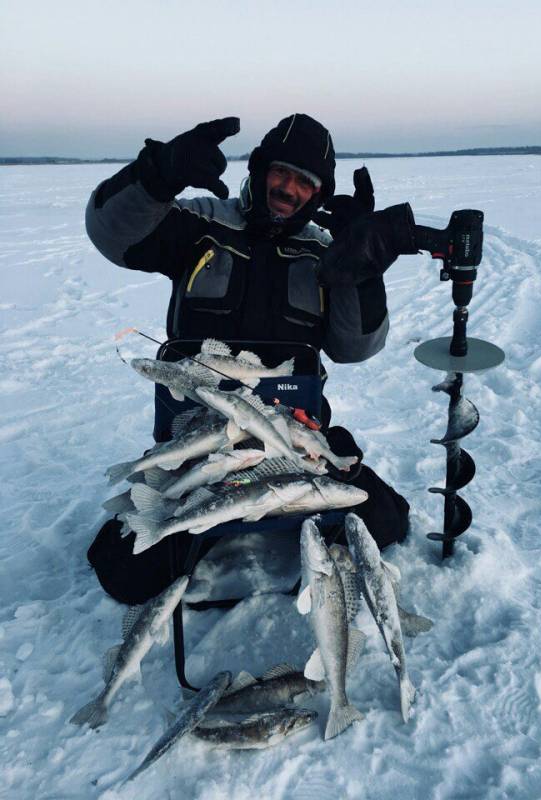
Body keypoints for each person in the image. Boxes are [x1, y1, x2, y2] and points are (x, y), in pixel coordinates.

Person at [85, 113, 436, 605]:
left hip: (298, 437)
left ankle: (300, 524)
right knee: (125, 572)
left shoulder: (326, 253)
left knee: (386, 521)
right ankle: (200, 517)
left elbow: (356, 347)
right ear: (259, 168)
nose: (289, 188)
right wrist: (155, 175)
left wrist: (363, 266)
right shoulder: (201, 224)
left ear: (318, 193)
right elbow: (110, 234)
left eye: (305, 182)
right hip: (198, 439)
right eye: (281, 172)